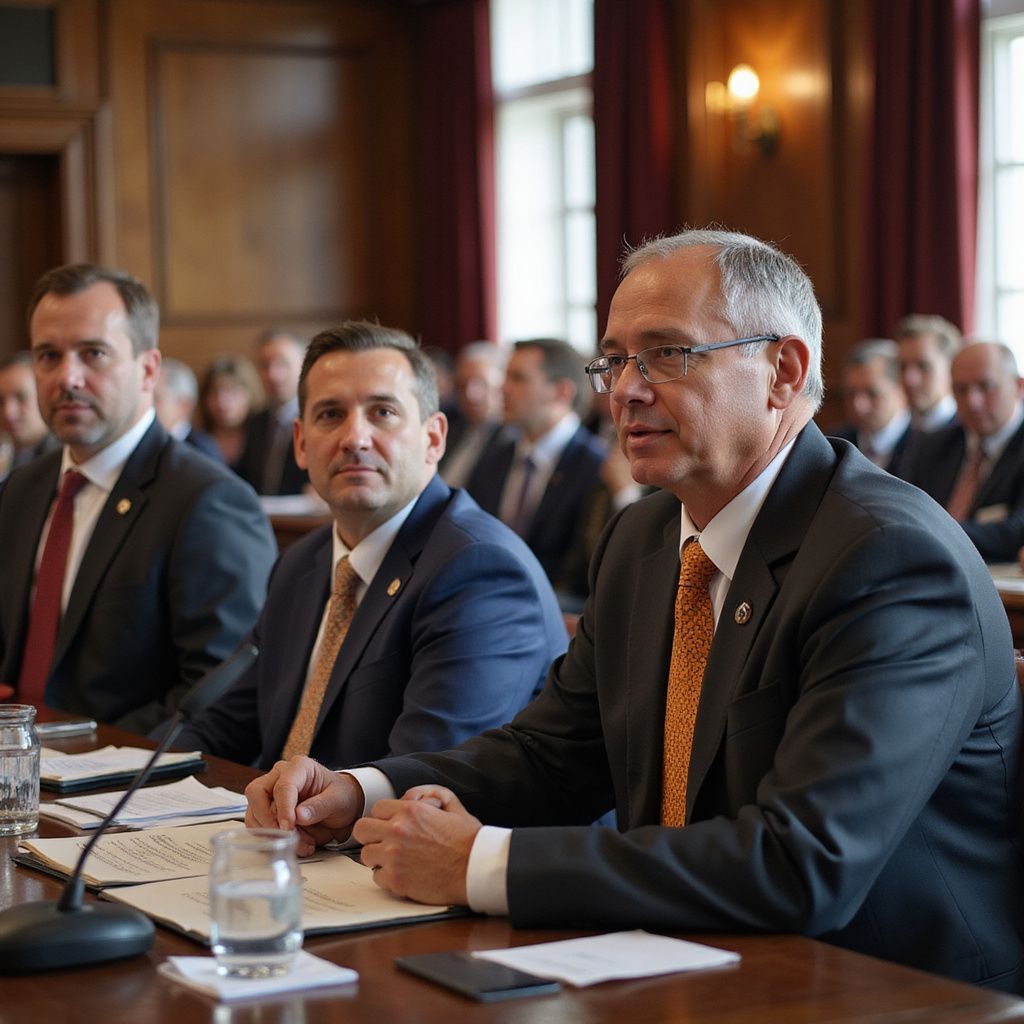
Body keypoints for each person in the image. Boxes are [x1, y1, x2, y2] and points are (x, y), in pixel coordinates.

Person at [247, 230, 1023, 992]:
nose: (626, 389)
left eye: (667, 354)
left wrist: (481, 863)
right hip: (679, 956)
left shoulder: (886, 558)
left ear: (783, 371)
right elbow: (554, 754)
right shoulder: (644, 537)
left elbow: (803, 864)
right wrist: (359, 791)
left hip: (882, 988)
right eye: (614, 360)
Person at [173, 321, 566, 768]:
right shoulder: (302, 562)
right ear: (301, 444)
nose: (355, 438)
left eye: (382, 412)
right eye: (330, 415)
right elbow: (225, 723)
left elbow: (430, 772)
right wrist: (127, 780)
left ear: (433, 438)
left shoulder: (477, 568)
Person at [0, 263, 276, 733]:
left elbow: (222, 697)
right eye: (48, 355)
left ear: (148, 369)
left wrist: (88, 761)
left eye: (94, 354)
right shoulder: (20, 490)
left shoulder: (208, 501)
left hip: (119, 787)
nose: (68, 377)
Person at [466, 338, 606, 585]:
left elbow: (585, 573)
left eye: (518, 378)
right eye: (505, 376)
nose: (503, 388)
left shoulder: (596, 467)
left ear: (562, 392)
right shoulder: (494, 458)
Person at [903, 341, 1024, 563]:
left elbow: (1016, 532)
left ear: (1019, 387)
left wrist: (933, 531)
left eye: (986, 386)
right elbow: (906, 512)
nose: (973, 402)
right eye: (961, 390)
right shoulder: (935, 445)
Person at [236, 329, 308, 494]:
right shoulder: (255, 422)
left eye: (282, 363)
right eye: (264, 365)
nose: (273, 374)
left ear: (304, 365)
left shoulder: (318, 420)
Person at [831, 338, 913, 475]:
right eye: (850, 394)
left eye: (872, 393)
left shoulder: (926, 445)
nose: (858, 406)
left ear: (901, 389)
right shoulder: (835, 445)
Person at [438, 341, 508, 489]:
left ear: (502, 383)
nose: (470, 394)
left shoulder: (512, 438)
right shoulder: (451, 427)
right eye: (462, 384)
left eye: (481, 383)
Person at [895, 313, 961, 433]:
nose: (909, 379)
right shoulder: (898, 436)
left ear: (952, 367)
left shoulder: (969, 437)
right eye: (902, 367)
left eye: (923, 366)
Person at [198, 354, 263, 470]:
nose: (222, 401)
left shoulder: (266, 437)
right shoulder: (196, 441)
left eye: (232, 391)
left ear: (250, 393)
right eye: (214, 392)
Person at [0, 351, 56, 481]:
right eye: (0, 401)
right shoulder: (7, 456)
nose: (9, 412)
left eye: (21, 398)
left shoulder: (66, 459)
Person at [154, 357, 222, 461]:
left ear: (184, 406)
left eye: (156, 399)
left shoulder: (201, 449)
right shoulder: (153, 442)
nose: (147, 407)